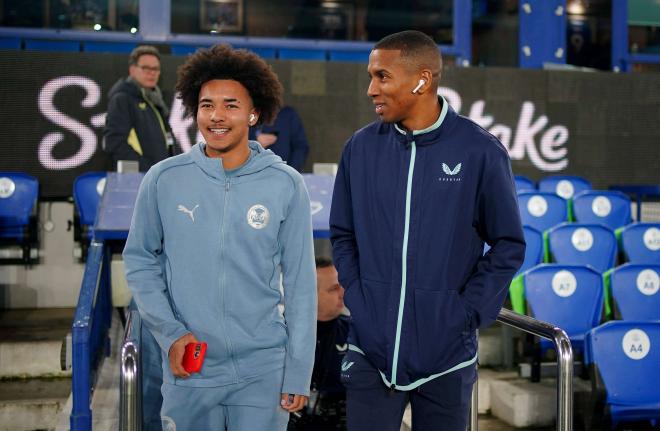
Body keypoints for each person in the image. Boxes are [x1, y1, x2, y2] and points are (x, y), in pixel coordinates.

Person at [329, 30, 525, 430]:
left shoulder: (480, 151)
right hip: (371, 349)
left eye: (382, 76)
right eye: (371, 76)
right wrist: (359, 298)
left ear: (422, 79)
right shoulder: (360, 148)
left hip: (446, 354)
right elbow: (343, 234)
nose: (371, 89)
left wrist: (464, 312)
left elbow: (507, 244)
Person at [123, 44, 317, 430]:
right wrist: (171, 333)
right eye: (207, 105)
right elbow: (140, 261)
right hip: (190, 366)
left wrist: (298, 369)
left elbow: (300, 285)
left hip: (264, 370)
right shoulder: (164, 179)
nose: (217, 116)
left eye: (230, 105)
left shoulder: (286, 184)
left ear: (253, 112)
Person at [289, 257, 348, 431]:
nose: (342, 293)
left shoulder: (356, 333)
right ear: (310, 295)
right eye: (333, 289)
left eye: (341, 286)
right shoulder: (282, 334)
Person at [103, 45, 177, 172]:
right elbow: (114, 143)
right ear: (132, 70)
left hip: (159, 178)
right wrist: (146, 169)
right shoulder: (122, 99)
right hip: (136, 180)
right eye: (145, 68)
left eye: (156, 68)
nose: (152, 72)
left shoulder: (156, 102)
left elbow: (168, 140)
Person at [249, 105, 309, 172]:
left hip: (283, 173)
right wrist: (255, 142)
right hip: (252, 175)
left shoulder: (288, 114)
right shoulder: (248, 114)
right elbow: (238, 141)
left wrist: (290, 172)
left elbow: (300, 147)